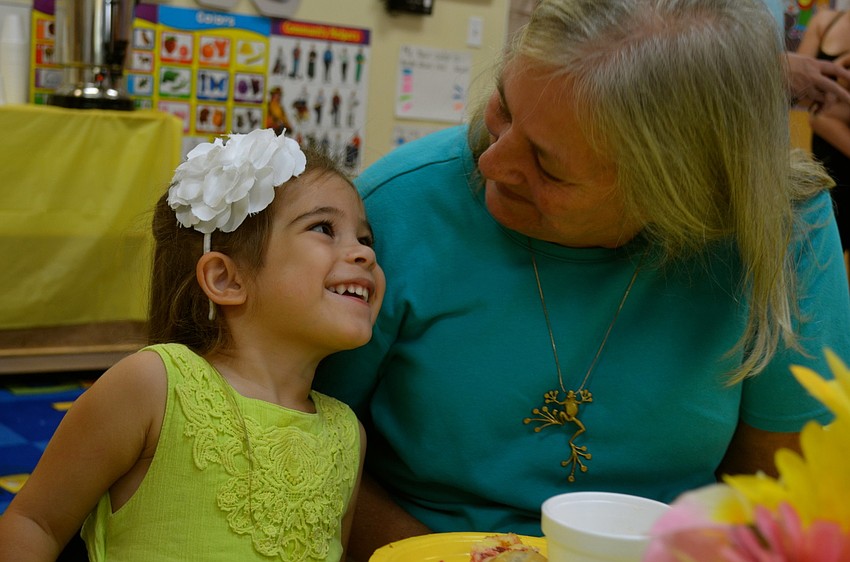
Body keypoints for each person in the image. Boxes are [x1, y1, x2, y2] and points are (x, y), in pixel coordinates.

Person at [313, 0, 850, 559]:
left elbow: (779, 494)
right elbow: (306, 447)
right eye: (506, 107)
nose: (492, 162)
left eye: (547, 165)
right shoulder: (393, 212)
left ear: (678, 194)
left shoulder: (783, 230)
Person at [0, 129, 385, 561]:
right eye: (323, 228)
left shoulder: (346, 435)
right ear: (226, 279)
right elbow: (34, 523)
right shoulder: (154, 385)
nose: (364, 255)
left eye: (365, 239)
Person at [795, 6, 850, 286]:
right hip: (830, 178)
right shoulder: (824, 22)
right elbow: (801, 92)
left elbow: (821, 115)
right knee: (820, 273)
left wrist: (827, 113)